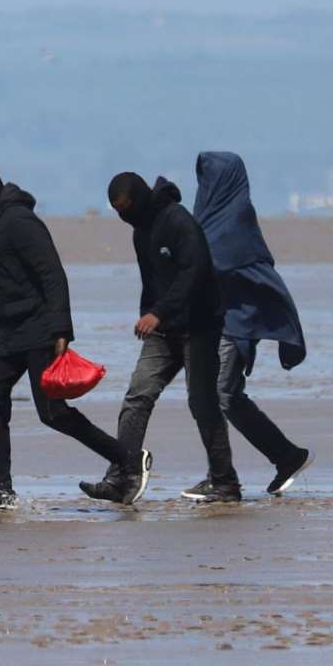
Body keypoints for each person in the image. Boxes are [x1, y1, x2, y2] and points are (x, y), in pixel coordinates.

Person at [0, 161, 131, 513]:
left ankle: (126, 457)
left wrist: (61, 329)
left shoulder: (18, 221)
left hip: (38, 330)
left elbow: (52, 273)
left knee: (53, 413)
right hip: (7, 332)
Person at [100, 171, 235, 502]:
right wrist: (150, 313)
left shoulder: (177, 220)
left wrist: (158, 312)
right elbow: (152, 281)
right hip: (163, 330)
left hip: (200, 325)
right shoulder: (140, 231)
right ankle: (123, 474)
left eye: (126, 208)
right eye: (117, 211)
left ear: (141, 197)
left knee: (201, 402)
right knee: (137, 395)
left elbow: (196, 271)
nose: (123, 216)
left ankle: (225, 482)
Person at [191, 151, 312, 495]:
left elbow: (220, 260)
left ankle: (265, 462)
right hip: (217, 322)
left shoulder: (235, 217)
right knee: (219, 397)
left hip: (238, 323)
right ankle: (270, 460)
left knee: (223, 396)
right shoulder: (208, 213)